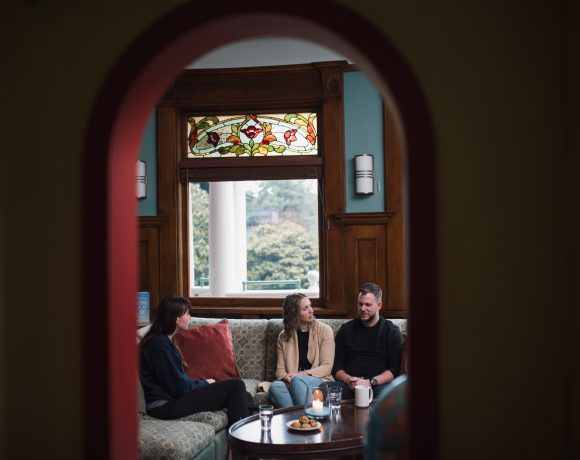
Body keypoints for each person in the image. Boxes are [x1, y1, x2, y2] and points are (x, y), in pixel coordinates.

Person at [140, 295, 251, 427]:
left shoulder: (164, 341)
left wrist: (204, 384)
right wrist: (205, 383)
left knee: (245, 395)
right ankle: (242, 444)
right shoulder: (158, 345)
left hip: (173, 399)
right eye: (187, 314)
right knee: (236, 386)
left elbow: (178, 382)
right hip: (164, 406)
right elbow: (180, 388)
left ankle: (245, 440)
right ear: (176, 318)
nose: (190, 318)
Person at [332, 282, 403, 399]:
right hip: (349, 385)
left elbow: (394, 369)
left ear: (379, 305)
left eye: (368, 305)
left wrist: (370, 382)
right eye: (360, 304)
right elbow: (336, 367)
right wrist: (349, 380)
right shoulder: (346, 330)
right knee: (324, 389)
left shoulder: (391, 331)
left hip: (377, 385)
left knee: (387, 396)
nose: (362, 309)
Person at [268, 293, 335, 408]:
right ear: (294, 314)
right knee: (275, 386)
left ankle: (301, 419)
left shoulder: (325, 330)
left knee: (297, 380)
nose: (311, 311)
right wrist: (288, 378)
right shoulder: (283, 336)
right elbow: (280, 371)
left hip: (318, 380)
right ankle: (298, 418)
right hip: (292, 380)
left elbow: (327, 366)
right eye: (305, 308)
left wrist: (300, 375)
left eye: (310, 306)